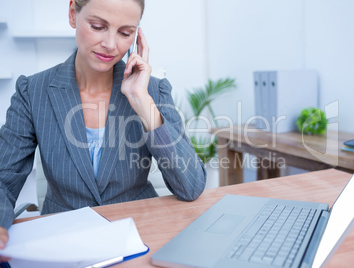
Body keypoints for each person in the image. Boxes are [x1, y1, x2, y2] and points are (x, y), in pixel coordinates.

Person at [0, 0, 206, 259]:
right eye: (98, 26)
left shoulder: (153, 90)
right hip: (65, 242)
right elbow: (3, 180)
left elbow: (191, 186)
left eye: (125, 33)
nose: (111, 44)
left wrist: (141, 101)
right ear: (73, 13)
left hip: (140, 237)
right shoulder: (33, 92)